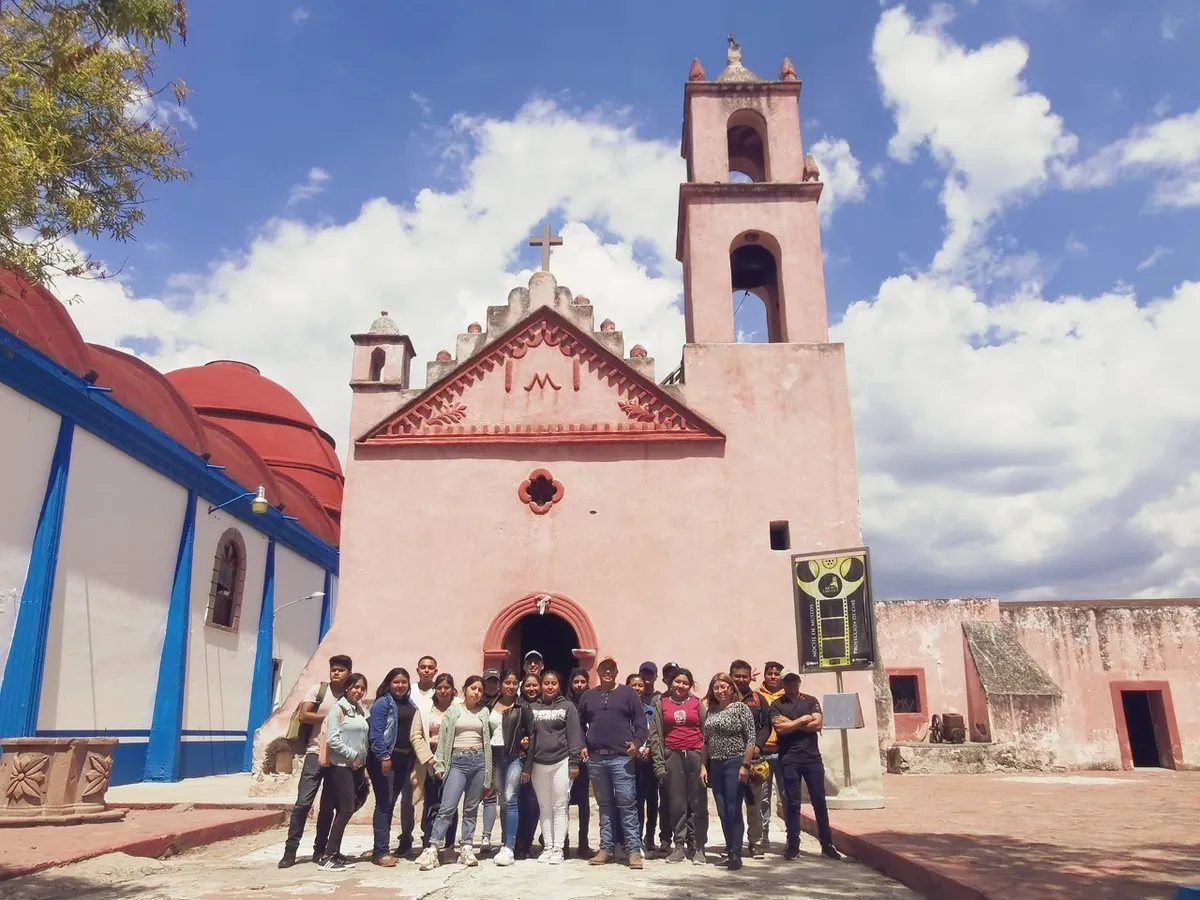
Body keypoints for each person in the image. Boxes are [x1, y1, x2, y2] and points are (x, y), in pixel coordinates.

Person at [279, 654, 352, 868]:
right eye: (334, 669)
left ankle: (320, 850)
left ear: (349, 672)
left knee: (328, 807)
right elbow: (304, 715)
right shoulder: (319, 690)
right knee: (303, 803)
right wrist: (331, 717)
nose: (336, 672)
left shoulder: (350, 696)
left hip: (338, 758)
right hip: (314, 753)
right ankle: (290, 851)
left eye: (341, 669)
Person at [417, 675, 494, 871]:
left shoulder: (484, 712)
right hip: (457, 762)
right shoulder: (453, 711)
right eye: (472, 688)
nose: (476, 692)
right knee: (447, 807)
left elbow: (488, 743)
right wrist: (440, 765)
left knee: (471, 809)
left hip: (478, 761)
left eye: (479, 690)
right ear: (465, 689)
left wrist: (488, 771)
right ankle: (433, 847)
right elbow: (443, 740)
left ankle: (466, 847)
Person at [577, 656, 647, 869]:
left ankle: (633, 851)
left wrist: (637, 742)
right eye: (604, 668)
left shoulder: (628, 693)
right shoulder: (588, 696)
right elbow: (578, 724)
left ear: (616, 672)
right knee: (604, 805)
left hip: (621, 758)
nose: (608, 672)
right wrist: (582, 744)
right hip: (597, 758)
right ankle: (606, 849)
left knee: (627, 804)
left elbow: (640, 722)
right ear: (598, 672)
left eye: (612, 668)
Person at [769, 669, 842, 861]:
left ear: (799, 682)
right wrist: (803, 720)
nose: (791, 684)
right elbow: (780, 730)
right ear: (782, 684)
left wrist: (791, 723)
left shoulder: (810, 700)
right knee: (792, 803)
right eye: (787, 682)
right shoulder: (776, 705)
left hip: (812, 759)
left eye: (794, 681)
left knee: (819, 801)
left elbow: (817, 725)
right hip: (789, 759)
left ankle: (827, 845)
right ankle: (793, 845)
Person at [366, 667, 433, 867]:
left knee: (391, 803)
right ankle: (381, 852)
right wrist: (384, 757)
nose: (400, 685)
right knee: (384, 804)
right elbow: (375, 734)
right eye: (396, 682)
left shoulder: (409, 703)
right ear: (388, 683)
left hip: (405, 759)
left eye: (404, 682)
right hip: (386, 759)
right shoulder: (382, 704)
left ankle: (383, 847)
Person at [521, 670, 584, 865]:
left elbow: (575, 736)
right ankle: (547, 847)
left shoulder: (568, 707)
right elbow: (529, 736)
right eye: (546, 683)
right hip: (539, 764)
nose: (549, 687)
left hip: (561, 762)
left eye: (553, 683)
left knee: (559, 806)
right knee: (544, 807)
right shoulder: (532, 708)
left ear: (559, 685)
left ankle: (558, 848)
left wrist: (574, 763)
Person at [650, 667, 708, 865]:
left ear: (689, 685)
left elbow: (706, 733)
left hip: (695, 755)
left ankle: (699, 847)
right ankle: (679, 846)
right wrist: (660, 763)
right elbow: (656, 736)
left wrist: (705, 763)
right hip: (672, 756)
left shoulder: (696, 704)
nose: (680, 686)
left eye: (685, 683)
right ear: (670, 683)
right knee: (677, 805)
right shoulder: (661, 704)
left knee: (698, 803)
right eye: (677, 682)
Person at [702, 672, 757, 871]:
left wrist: (746, 765)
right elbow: (706, 741)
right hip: (715, 765)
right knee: (723, 810)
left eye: (724, 687)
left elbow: (751, 739)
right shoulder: (712, 711)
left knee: (734, 809)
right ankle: (729, 848)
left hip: (735, 763)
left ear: (731, 688)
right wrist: (703, 766)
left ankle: (735, 853)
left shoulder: (741, 708)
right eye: (716, 688)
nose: (720, 691)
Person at [319, 671, 371, 870]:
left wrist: (362, 761)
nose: (358, 691)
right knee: (346, 809)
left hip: (356, 767)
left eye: (361, 688)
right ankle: (327, 855)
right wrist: (352, 755)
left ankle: (335, 852)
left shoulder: (359, 710)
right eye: (355, 687)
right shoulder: (337, 709)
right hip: (341, 766)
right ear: (347, 688)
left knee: (345, 809)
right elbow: (333, 739)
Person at [397, 654, 440, 857]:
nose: (426, 670)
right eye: (423, 667)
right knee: (408, 798)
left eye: (430, 667)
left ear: (435, 670)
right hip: (408, 752)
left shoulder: (439, 691)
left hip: (431, 753)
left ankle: (427, 837)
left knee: (431, 797)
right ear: (417, 670)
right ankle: (405, 838)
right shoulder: (410, 691)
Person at [729, 659, 771, 859]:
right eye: (737, 676)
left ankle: (755, 843)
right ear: (731, 676)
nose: (741, 679)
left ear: (750, 677)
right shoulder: (724, 697)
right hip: (730, 759)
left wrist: (757, 746)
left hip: (754, 760)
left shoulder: (758, 698)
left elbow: (766, 725)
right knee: (732, 804)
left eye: (745, 676)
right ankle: (733, 843)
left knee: (754, 804)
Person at [487, 671, 526, 867]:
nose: (510, 686)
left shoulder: (522, 705)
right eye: (507, 682)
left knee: (511, 799)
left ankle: (509, 847)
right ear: (501, 685)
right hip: (495, 756)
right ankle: (505, 841)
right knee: (502, 799)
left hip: (513, 756)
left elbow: (530, 731)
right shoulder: (491, 704)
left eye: (514, 682)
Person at [419, 673, 458, 852]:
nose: (443, 691)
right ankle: (428, 841)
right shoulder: (426, 708)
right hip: (430, 759)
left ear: (452, 689)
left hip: (454, 759)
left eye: (447, 687)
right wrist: (428, 757)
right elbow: (418, 734)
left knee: (450, 802)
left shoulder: (459, 706)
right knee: (431, 801)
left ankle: (449, 843)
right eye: (440, 687)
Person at [757, 660, 787, 846]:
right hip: (763, 753)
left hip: (784, 753)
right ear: (765, 675)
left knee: (786, 794)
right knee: (763, 797)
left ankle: (792, 836)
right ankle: (763, 835)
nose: (773, 677)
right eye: (770, 673)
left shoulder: (789, 696)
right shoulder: (757, 696)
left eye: (777, 674)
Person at [514, 672, 543, 859]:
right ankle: (515, 842)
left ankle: (527, 841)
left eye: (535, 686)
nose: (531, 689)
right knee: (517, 803)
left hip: (540, 761)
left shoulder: (545, 706)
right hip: (519, 759)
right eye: (528, 686)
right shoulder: (515, 705)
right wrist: (520, 740)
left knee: (533, 805)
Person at [564, 667, 593, 858]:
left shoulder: (592, 701)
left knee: (583, 802)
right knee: (563, 801)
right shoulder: (565, 703)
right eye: (576, 682)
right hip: (566, 757)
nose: (580, 685)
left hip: (587, 758)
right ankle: (563, 842)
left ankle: (584, 843)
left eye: (583, 681)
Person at [478, 668, 504, 852]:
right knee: (488, 796)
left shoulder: (505, 702)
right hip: (482, 755)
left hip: (503, 755)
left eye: (495, 681)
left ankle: (506, 837)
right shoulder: (477, 704)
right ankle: (486, 837)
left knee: (506, 797)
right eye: (489, 681)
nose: (492, 685)